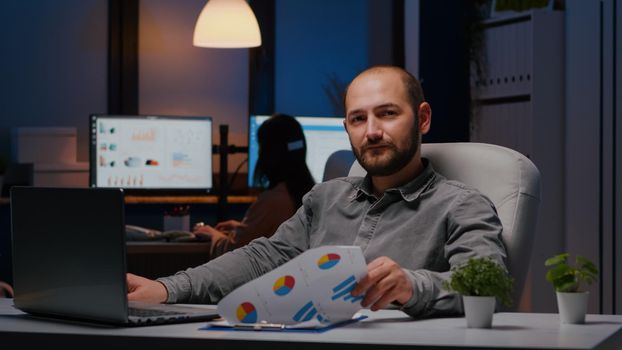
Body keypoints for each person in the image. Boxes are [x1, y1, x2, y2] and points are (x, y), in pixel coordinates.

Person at [127, 65, 506, 318]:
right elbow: (261, 258)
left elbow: (492, 286)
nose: (371, 131)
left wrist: (413, 284)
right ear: (347, 127)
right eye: (358, 119)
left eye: (387, 113)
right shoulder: (324, 199)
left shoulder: (462, 205)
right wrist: (166, 289)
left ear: (422, 118)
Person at [193, 113, 315, 257]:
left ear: (268, 153)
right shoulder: (309, 193)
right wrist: (242, 227)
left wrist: (212, 234)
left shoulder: (273, 200)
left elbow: (234, 252)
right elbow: (277, 230)